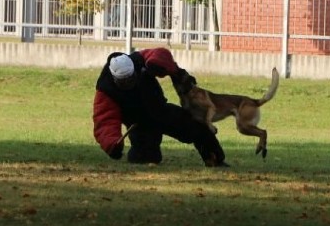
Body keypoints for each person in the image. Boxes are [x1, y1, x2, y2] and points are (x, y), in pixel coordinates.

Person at [92, 47, 228, 167]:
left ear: (133, 69)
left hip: (161, 110)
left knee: (197, 126)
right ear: (114, 78)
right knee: (145, 158)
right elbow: (104, 120)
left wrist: (158, 64)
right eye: (123, 81)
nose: (128, 83)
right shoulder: (106, 89)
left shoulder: (139, 61)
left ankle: (215, 159)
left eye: (130, 78)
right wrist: (112, 144)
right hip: (140, 124)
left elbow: (159, 53)